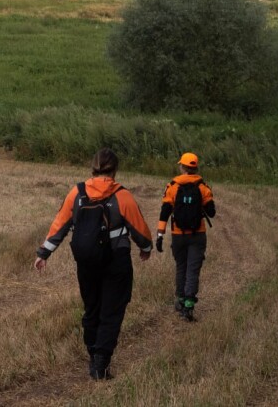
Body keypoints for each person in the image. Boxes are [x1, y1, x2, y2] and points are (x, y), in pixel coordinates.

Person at [34, 148, 153, 380]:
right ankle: (101, 363)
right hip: (116, 261)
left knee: (92, 309)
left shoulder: (77, 193)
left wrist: (43, 253)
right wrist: (146, 248)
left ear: (93, 167)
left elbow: (60, 224)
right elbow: (140, 229)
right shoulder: (121, 195)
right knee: (112, 310)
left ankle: (92, 354)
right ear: (115, 170)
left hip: (86, 262)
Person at [155, 152, 216, 321]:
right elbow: (212, 212)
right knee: (193, 270)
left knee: (181, 267)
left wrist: (160, 235)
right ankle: (189, 306)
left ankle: (180, 299)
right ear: (195, 168)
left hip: (178, 235)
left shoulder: (172, 186)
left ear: (182, 167)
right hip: (198, 235)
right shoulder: (203, 187)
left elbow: (164, 212)